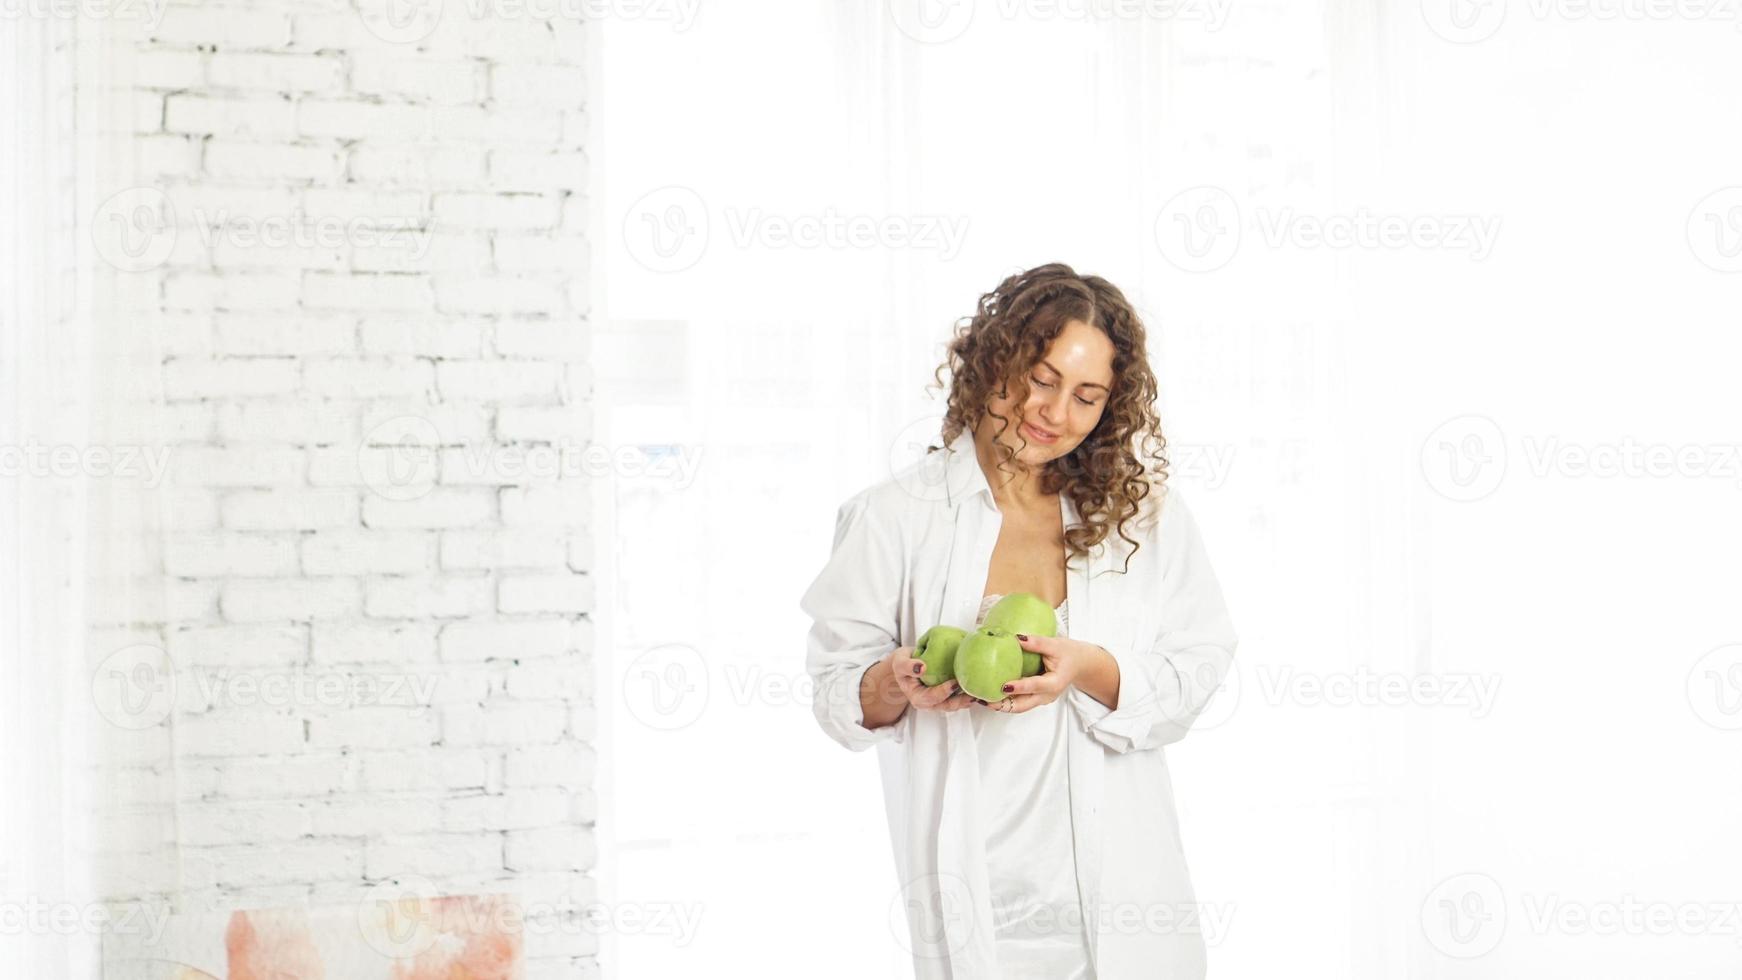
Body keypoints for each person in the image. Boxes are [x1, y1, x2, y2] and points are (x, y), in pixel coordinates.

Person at [800, 262, 1239, 979]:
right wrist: (892, 682)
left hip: (1126, 898)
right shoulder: (891, 519)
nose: (1055, 412)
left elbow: (1200, 666)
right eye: (1041, 377)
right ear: (991, 357)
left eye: (1087, 396)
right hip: (980, 902)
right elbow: (834, 693)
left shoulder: (1142, 519)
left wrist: (1090, 667)